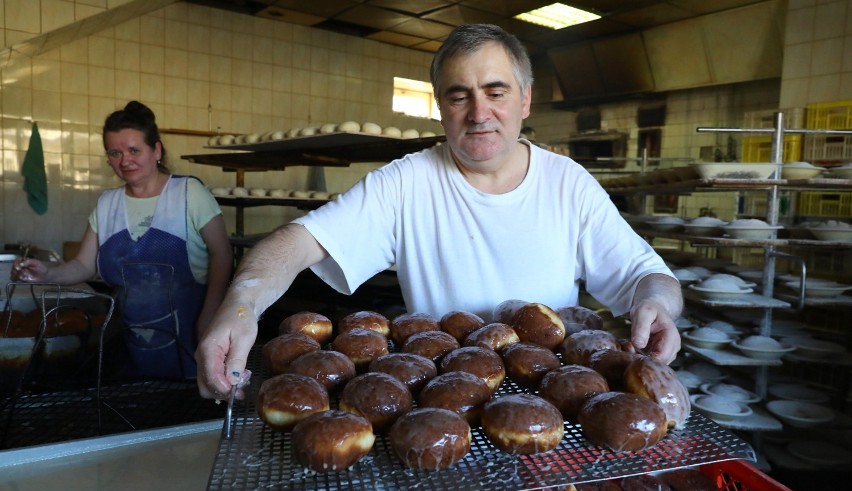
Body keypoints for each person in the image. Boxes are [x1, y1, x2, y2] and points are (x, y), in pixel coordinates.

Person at [196, 24, 682, 400]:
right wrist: (240, 307)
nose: (478, 112)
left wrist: (657, 305)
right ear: (440, 107)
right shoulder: (408, 181)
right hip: (441, 403)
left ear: (525, 100)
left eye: (496, 92)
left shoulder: (568, 184)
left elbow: (647, 275)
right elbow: (295, 242)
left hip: (553, 401)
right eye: (459, 95)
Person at [11, 101, 232, 380]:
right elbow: (83, 265)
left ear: (157, 151)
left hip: (190, 334)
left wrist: (210, 315)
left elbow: (221, 254)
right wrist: (47, 273)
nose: (125, 161)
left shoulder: (189, 193)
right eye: (115, 153)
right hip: (126, 339)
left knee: (187, 407)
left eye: (134, 150)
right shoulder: (107, 204)